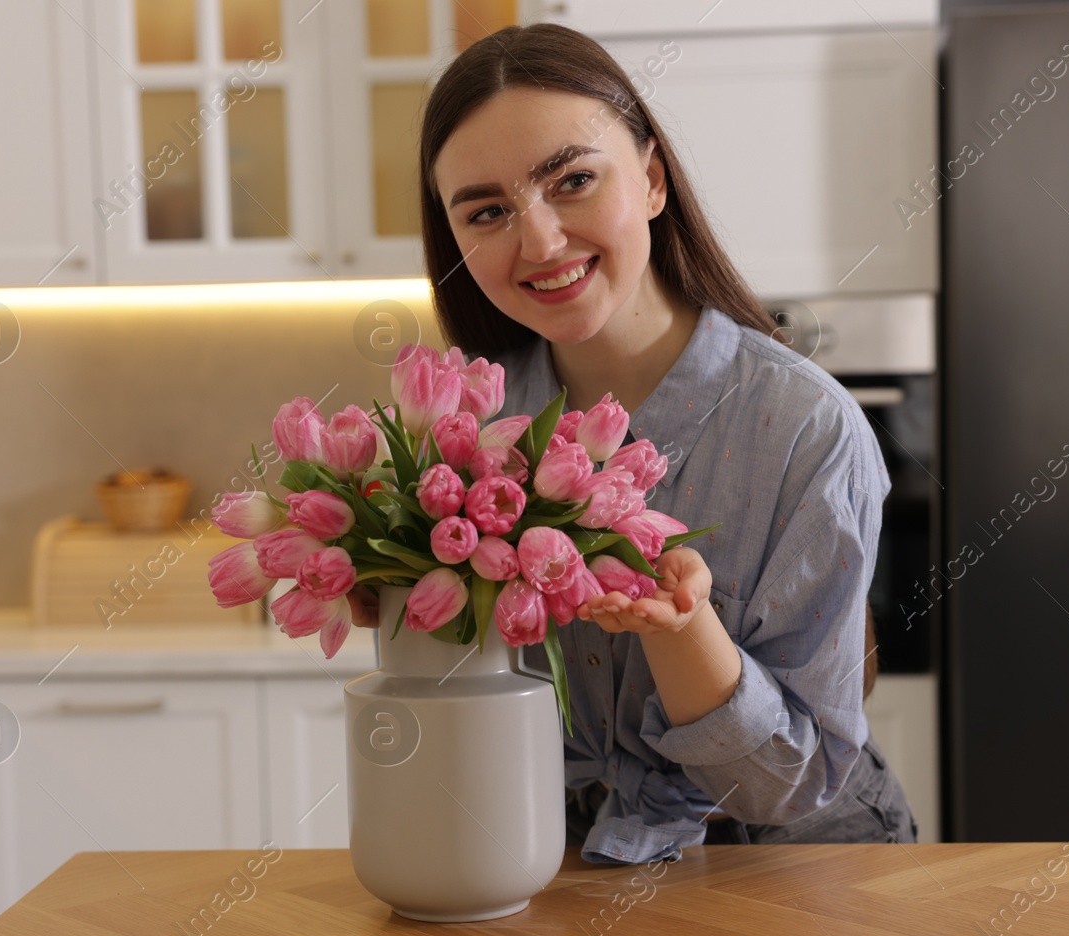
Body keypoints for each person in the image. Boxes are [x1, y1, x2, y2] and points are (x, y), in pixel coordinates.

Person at [348, 23, 918, 864]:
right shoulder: (461, 429)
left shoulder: (806, 429)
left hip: (789, 865)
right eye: (488, 211)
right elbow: (462, 705)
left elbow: (787, 785)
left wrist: (680, 627)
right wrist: (400, 590)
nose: (539, 241)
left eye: (573, 180)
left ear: (650, 179)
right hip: (557, 849)